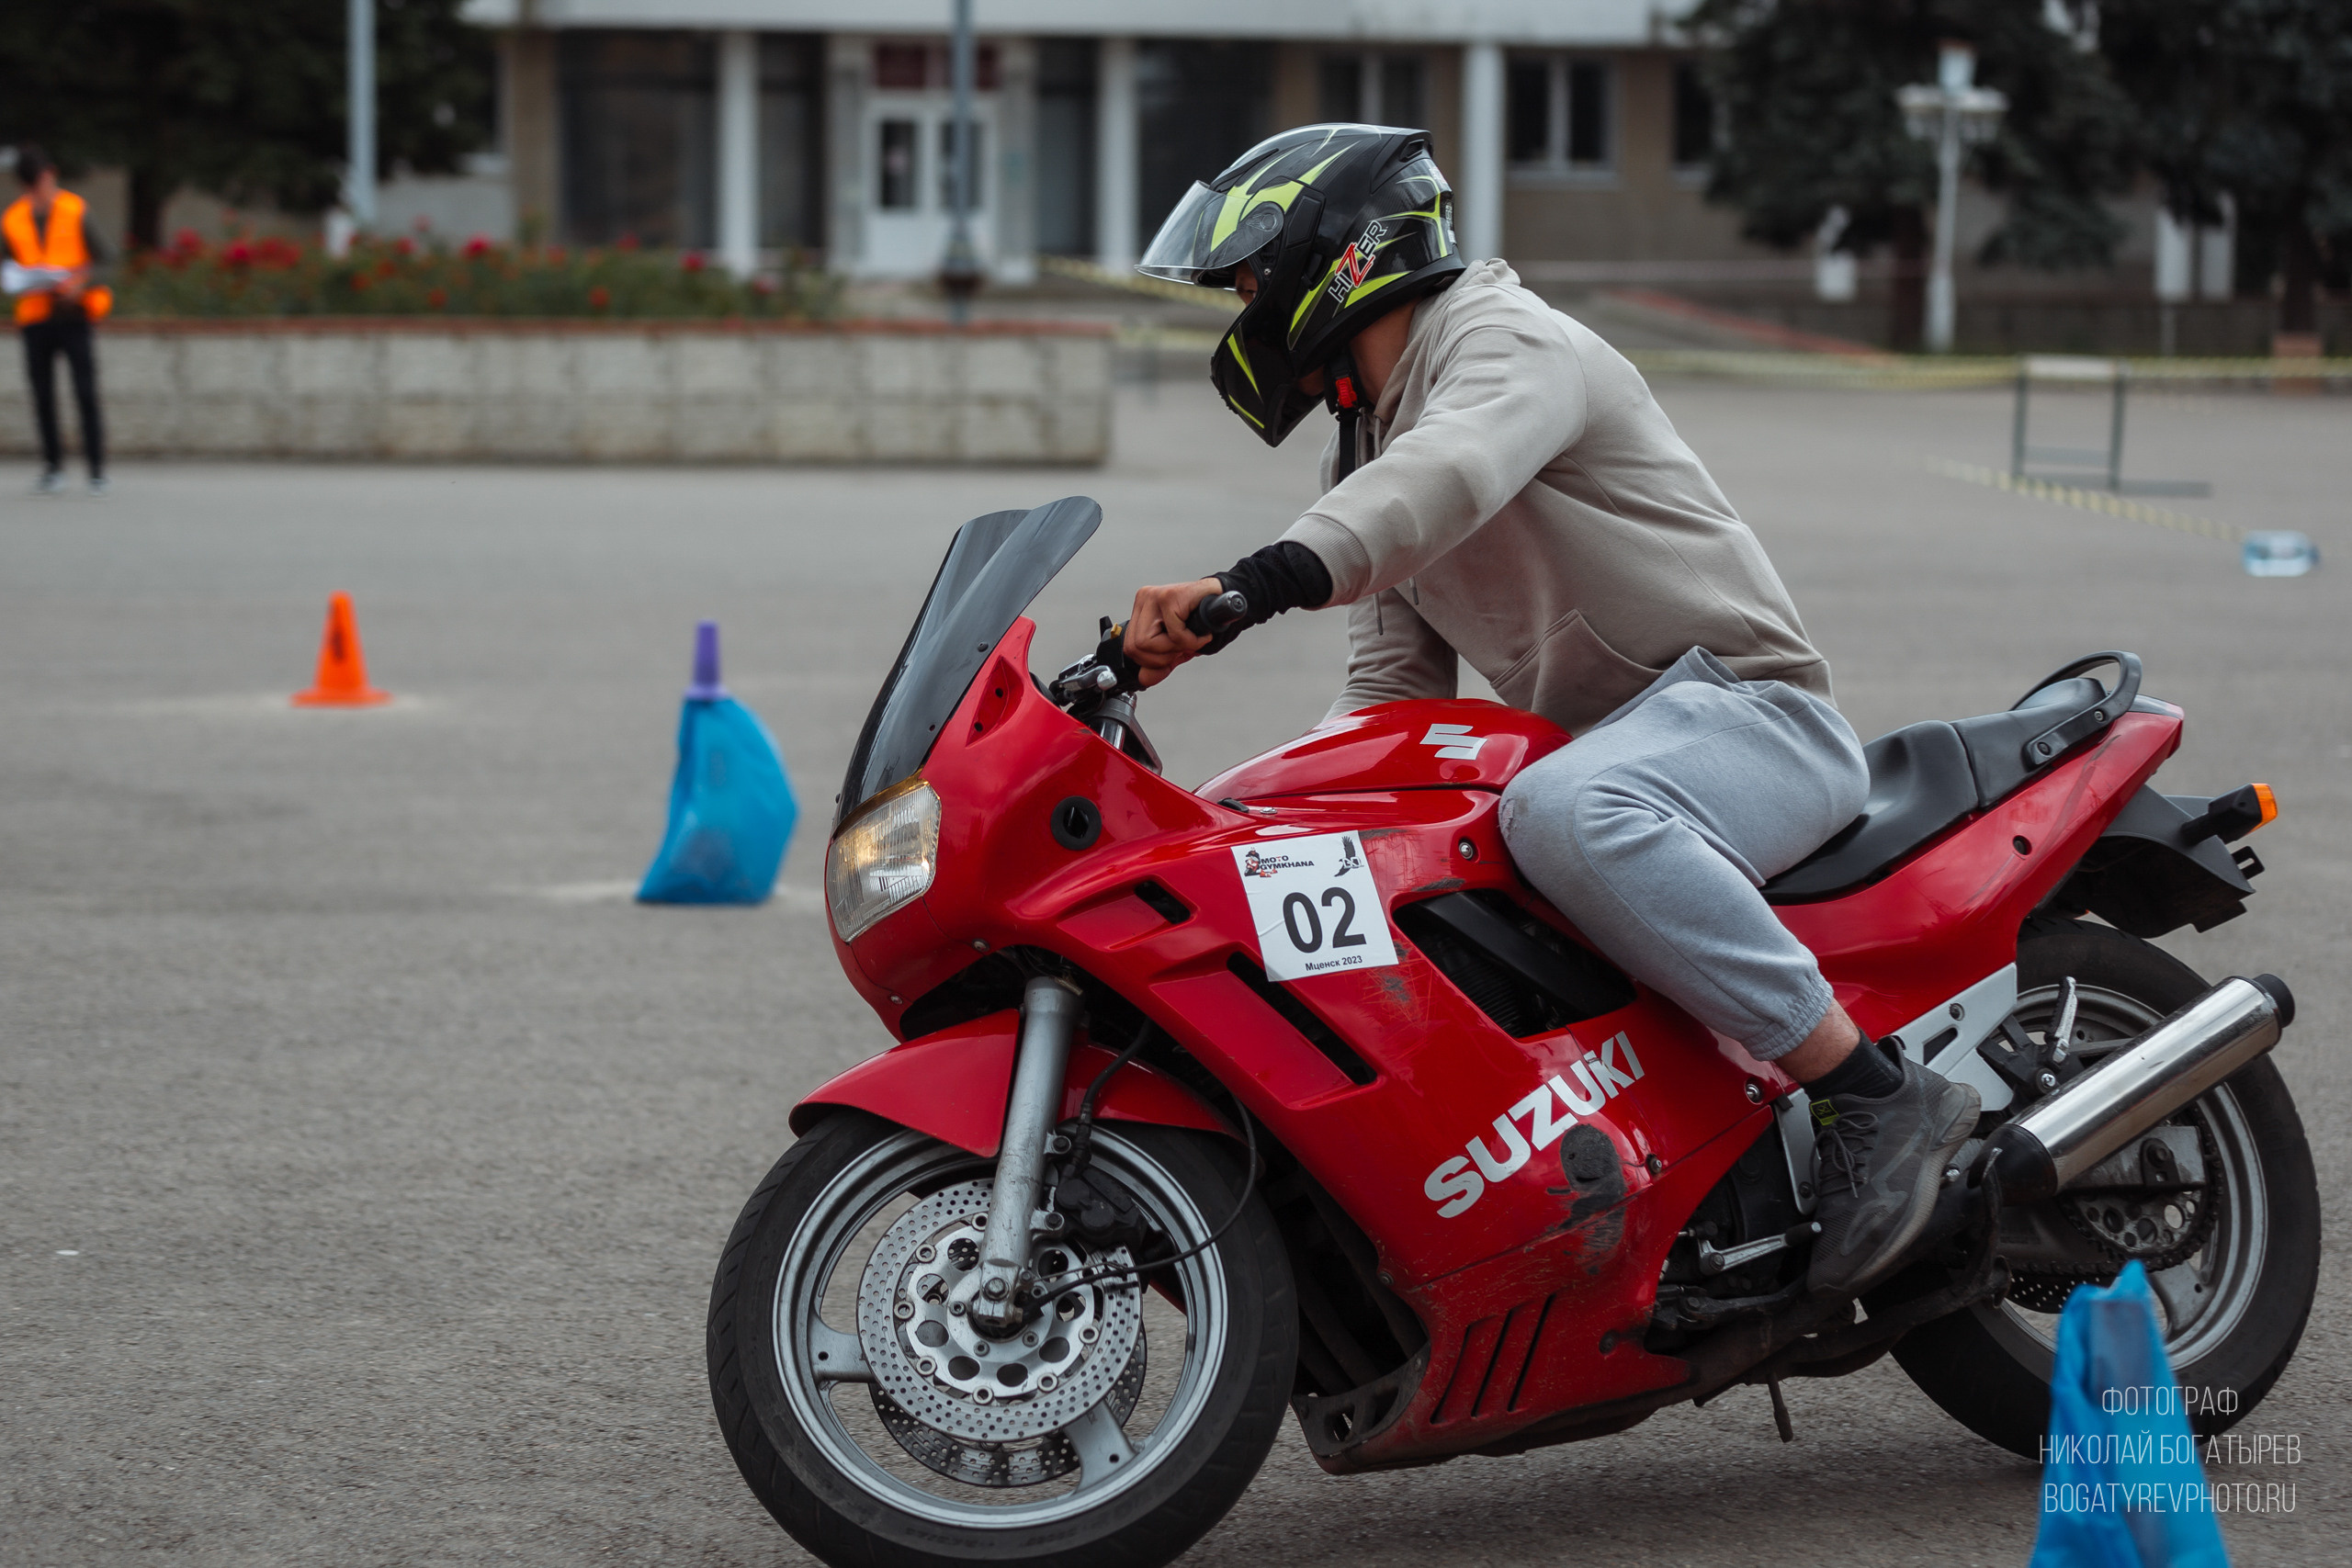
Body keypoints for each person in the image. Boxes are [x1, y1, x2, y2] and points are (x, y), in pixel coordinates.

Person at [1121, 125, 1978, 1304]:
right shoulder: (1369, 440)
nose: (1243, 309)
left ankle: (1875, 1095)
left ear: (1343, 254)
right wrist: (1219, 821)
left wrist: (1251, 584)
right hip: (1621, 760)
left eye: (1252, 279)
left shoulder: (1507, 342)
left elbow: (1453, 476)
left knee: (1562, 811)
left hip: (1748, 719)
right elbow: (1387, 700)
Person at [4, 144, 110, 495]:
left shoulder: (75, 210)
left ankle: (96, 470)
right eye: (30, 186)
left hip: (73, 313)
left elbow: (108, 259)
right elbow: (6, 265)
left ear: (51, 174)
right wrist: (18, 279)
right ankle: (53, 467)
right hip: (35, 316)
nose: (38, 191)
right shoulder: (13, 219)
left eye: (41, 182)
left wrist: (81, 285)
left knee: (85, 391)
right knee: (43, 394)